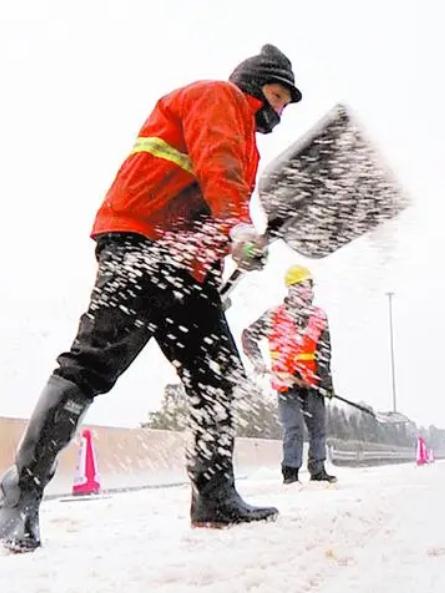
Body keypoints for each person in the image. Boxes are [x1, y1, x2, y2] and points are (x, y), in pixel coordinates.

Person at [0, 44, 303, 552]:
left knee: (216, 375)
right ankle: (18, 493)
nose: (279, 111)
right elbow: (217, 163)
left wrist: (216, 266)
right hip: (141, 244)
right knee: (92, 365)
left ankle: (213, 495)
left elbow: (207, 199)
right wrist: (236, 226)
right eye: (276, 95)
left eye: (286, 105)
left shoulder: (248, 138)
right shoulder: (220, 96)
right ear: (254, 84)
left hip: (186, 268)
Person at [241, 265, 338, 485]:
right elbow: (249, 336)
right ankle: (291, 472)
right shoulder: (274, 315)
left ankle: (318, 469)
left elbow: (325, 351)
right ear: (292, 289)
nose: (309, 291)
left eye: (310, 286)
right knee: (293, 427)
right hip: (285, 381)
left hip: (312, 382)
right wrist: (257, 361)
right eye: (305, 286)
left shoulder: (319, 316)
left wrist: (327, 383)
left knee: (318, 429)